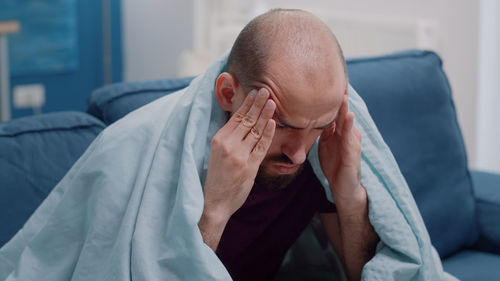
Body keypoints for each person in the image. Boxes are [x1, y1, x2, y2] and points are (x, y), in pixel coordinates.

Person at [198, 8, 379, 281]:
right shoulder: (182, 157)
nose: (297, 155)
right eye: (281, 125)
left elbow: (363, 275)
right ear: (228, 94)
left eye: (318, 126)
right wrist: (215, 209)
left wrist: (350, 197)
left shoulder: (321, 153)